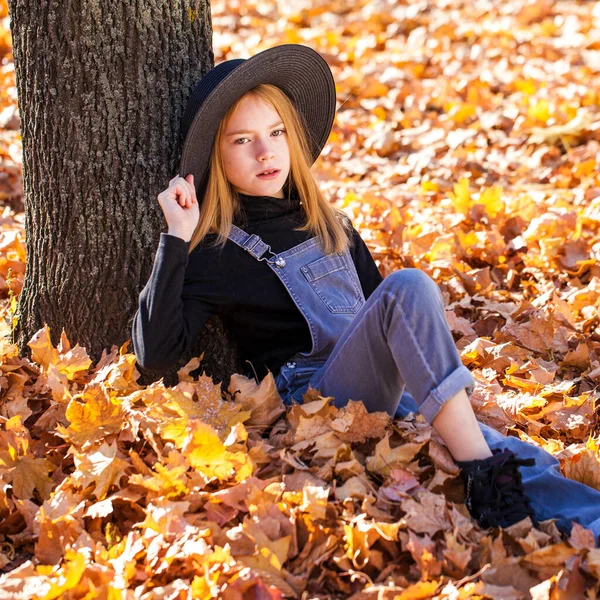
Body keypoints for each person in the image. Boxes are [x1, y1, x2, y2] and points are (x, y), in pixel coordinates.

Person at [132, 44, 600, 539]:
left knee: (521, 456)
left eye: (276, 133)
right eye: (242, 140)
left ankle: (561, 512)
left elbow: (389, 328)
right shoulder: (217, 251)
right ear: (215, 155)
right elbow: (156, 357)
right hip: (317, 406)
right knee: (410, 288)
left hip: (387, 396)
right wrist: (176, 240)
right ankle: (483, 477)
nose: (265, 152)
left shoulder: (333, 226)